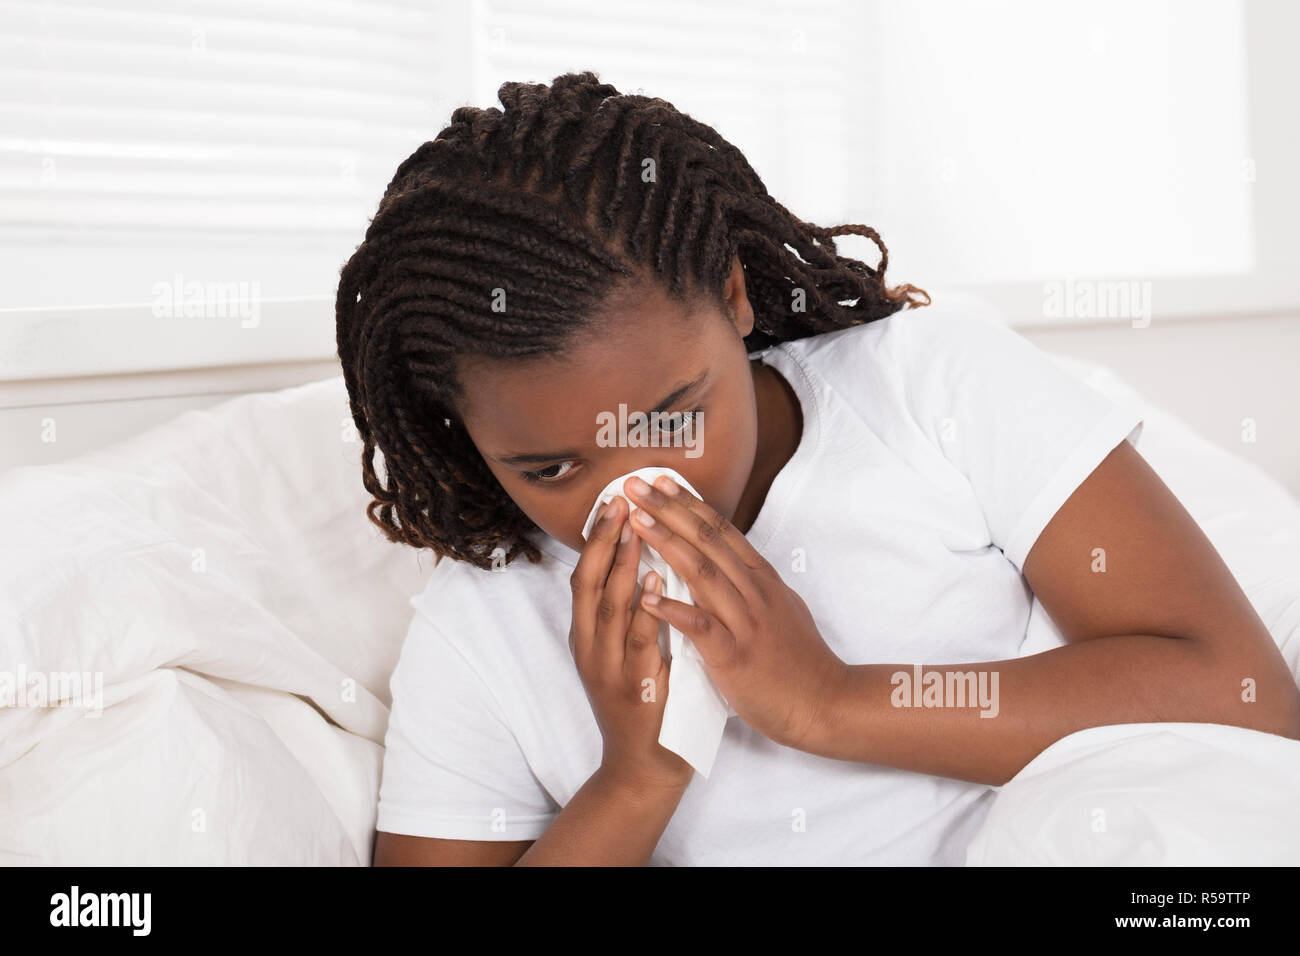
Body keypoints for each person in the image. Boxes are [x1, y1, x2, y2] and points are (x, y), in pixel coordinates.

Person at [335, 71, 1300, 866]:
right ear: (463, 433)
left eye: (672, 417)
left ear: (735, 299)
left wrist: (828, 701)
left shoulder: (931, 389)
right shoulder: (485, 626)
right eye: (549, 467)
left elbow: (1240, 695)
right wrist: (636, 777)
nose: (631, 492)